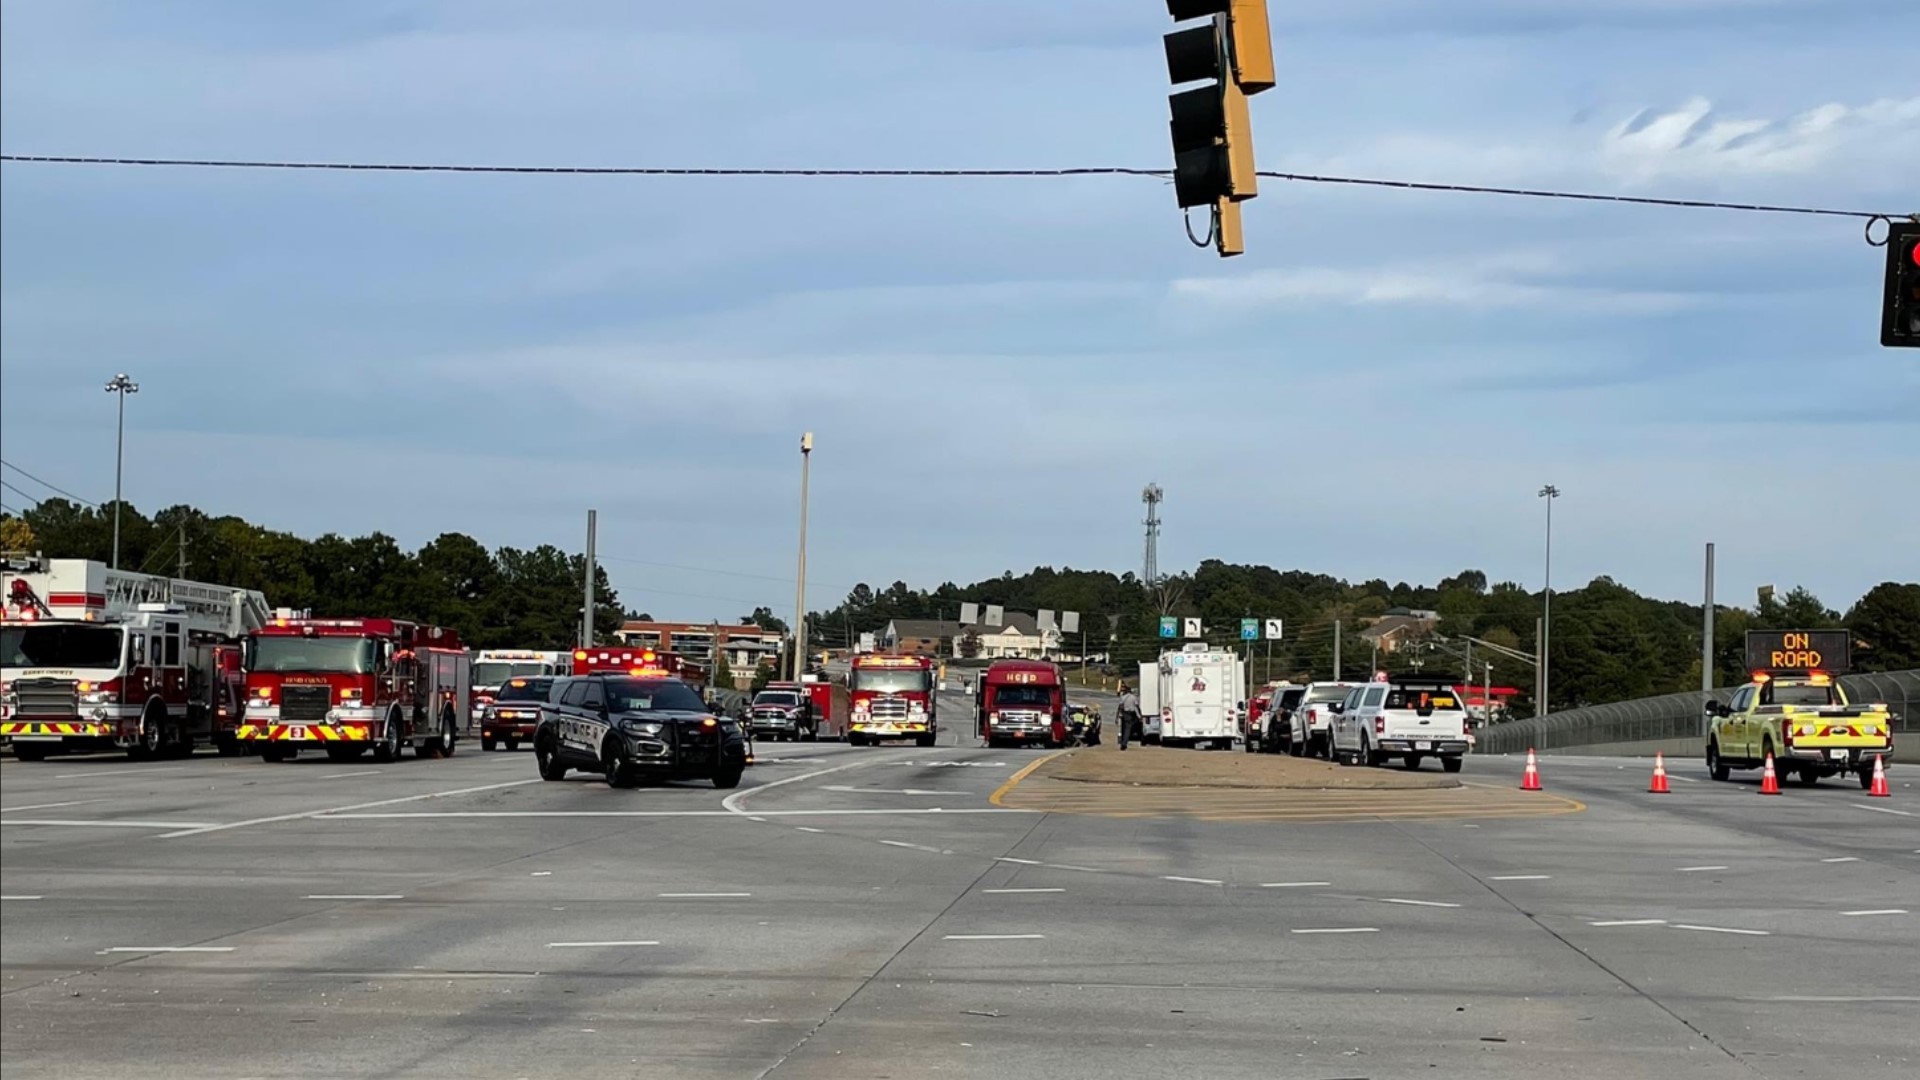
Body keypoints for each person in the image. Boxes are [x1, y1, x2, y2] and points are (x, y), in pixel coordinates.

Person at [1116, 684, 1141, 751]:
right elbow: (1136, 707)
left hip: (1124, 714)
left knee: (1123, 729)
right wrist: (1139, 715)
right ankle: (1124, 743)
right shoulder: (1134, 697)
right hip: (1131, 714)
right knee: (1128, 729)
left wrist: (1117, 716)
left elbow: (1120, 707)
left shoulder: (1123, 697)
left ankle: (1122, 742)